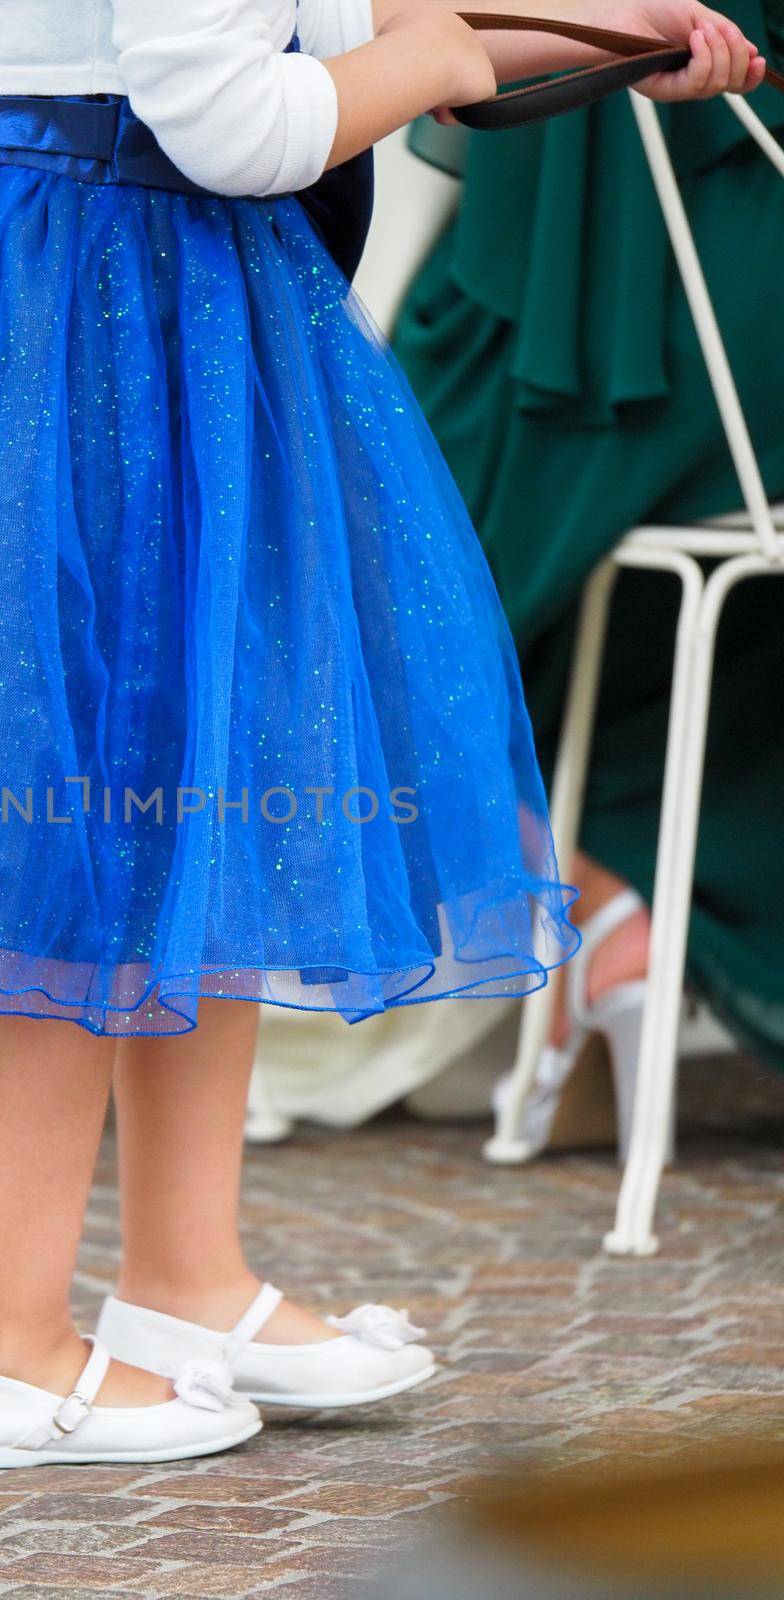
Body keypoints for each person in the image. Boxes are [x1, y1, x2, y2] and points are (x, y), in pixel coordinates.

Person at [0, 0, 761, 1468]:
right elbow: (232, 118)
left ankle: (185, 1285)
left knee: (194, 797)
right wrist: (442, 66)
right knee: (70, 838)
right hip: (90, 311)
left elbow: (303, 19)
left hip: (148, 297)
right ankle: (0, 1348)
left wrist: (579, 28)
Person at [392, 0, 784, 1152]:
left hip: (654, 262)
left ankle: (599, 911)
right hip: (738, 277)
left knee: (345, 543)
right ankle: (611, 903)